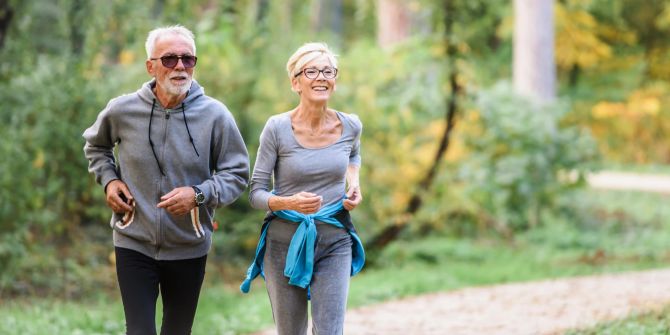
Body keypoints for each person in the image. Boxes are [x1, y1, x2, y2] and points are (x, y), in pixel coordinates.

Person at [83, 25, 249, 335]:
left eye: (188, 59)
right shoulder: (123, 110)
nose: (180, 67)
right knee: (140, 330)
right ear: (151, 66)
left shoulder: (215, 115)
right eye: (170, 59)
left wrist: (198, 194)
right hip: (133, 240)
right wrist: (109, 180)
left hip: (189, 245)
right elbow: (96, 146)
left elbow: (237, 174)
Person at [240, 42, 365, 335]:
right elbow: (256, 193)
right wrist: (289, 202)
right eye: (311, 71)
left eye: (328, 70)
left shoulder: (351, 125)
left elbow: (353, 154)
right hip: (284, 244)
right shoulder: (277, 128)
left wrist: (354, 182)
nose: (321, 77)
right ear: (295, 82)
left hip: (335, 240)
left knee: (330, 331)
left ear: (335, 79)